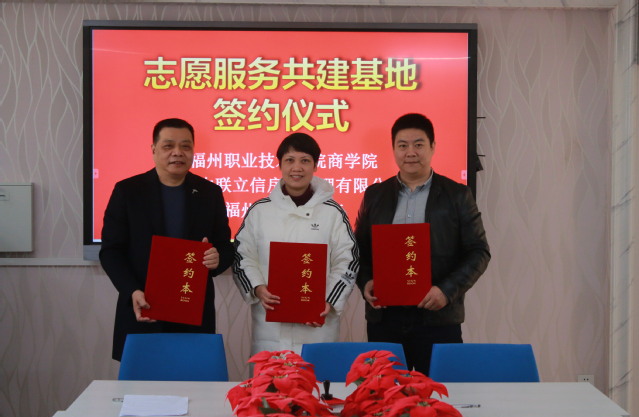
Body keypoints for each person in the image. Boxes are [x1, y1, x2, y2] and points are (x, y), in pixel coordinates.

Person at [354, 113, 490, 374]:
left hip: (438, 316)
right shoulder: (375, 195)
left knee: (441, 391)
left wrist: (446, 291)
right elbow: (359, 250)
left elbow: (478, 252)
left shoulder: (457, 195)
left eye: (418, 144)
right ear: (393, 149)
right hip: (386, 318)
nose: (410, 152)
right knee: (385, 393)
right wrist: (366, 281)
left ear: (432, 146)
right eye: (402, 145)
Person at [100, 118, 234, 361]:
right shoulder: (128, 191)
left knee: (193, 376)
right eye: (168, 146)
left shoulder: (209, 193)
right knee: (142, 380)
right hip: (143, 306)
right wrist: (132, 290)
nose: (177, 153)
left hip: (193, 311)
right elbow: (111, 251)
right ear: (153, 149)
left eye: (185, 146)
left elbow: (225, 247)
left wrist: (217, 259)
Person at [232, 132, 359, 356]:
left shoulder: (333, 213)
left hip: (317, 324)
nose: (297, 168)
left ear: (315, 166)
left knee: (316, 377)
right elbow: (242, 255)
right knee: (270, 377)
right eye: (290, 160)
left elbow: (348, 259)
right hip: (270, 325)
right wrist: (258, 288)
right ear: (280, 165)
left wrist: (329, 300)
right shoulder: (260, 211)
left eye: (305, 160)